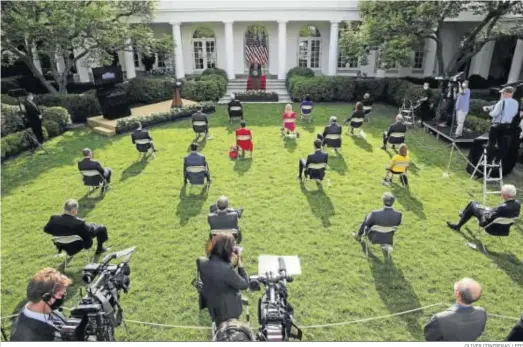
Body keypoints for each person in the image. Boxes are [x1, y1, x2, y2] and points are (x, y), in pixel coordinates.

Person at [199, 233, 249, 327]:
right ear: (227, 251)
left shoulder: (202, 262)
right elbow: (244, 284)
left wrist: (229, 264)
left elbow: (218, 273)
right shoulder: (227, 271)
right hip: (228, 311)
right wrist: (240, 264)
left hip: (213, 305)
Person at [10, 268, 71, 341]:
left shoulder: (47, 308)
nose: (64, 296)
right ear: (46, 297)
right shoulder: (29, 338)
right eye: (61, 295)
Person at [44, 199, 110, 255]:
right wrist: (93, 226)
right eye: (77, 209)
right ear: (73, 210)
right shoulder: (79, 223)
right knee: (102, 228)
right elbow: (90, 233)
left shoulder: (54, 219)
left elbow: (46, 229)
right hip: (77, 246)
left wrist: (61, 233)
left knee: (91, 226)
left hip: (63, 245)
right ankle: (100, 249)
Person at [446, 184, 520, 232]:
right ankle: (463, 215)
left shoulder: (502, 207)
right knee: (476, 206)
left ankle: (458, 224)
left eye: (502, 193)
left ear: (506, 195)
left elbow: (488, 218)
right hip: (503, 229)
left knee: (473, 204)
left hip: (490, 227)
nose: (501, 194)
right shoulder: (517, 204)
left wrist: (486, 211)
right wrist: (489, 210)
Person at [487, 86, 520, 163]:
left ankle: (489, 160)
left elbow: (495, 114)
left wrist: (489, 112)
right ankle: (498, 160)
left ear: (506, 93)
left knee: (492, 143)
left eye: (503, 93)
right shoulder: (516, 102)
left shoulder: (502, 102)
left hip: (497, 125)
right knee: (502, 143)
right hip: (506, 125)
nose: (503, 94)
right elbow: (514, 113)